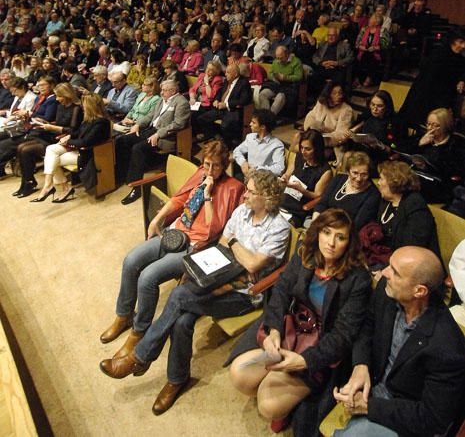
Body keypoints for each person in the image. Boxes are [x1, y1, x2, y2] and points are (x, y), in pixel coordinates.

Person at [99, 169, 290, 416]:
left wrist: (235, 245)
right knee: (183, 319)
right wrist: (238, 250)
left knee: (178, 298)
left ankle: (141, 356)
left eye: (251, 192)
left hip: (246, 293)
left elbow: (253, 265)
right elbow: (224, 242)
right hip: (222, 274)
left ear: (267, 197)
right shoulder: (243, 212)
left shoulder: (279, 228)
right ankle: (177, 379)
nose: (244, 196)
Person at [228, 208, 371, 433]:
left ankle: (286, 403)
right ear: (318, 233)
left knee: (268, 405)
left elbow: (344, 335)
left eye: (340, 237)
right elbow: (281, 292)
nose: (331, 242)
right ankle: (283, 392)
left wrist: (304, 361)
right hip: (292, 332)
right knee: (240, 374)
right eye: (326, 232)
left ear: (349, 242)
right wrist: (274, 330)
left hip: (319, 348)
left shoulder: (357, 279)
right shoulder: (306, 254)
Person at [99, 140, 244, 360]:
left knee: (148, 277)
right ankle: (124, 315)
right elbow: (180, 199)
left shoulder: (233, 187)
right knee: (131, 260)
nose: (210, 170)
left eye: (216, 166)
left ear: (224, 166)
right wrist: (156, 219)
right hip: (176, 232)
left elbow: (214, 228)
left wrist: (207, 193)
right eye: (207, 164)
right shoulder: (199, 173)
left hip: (195, 247)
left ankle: (139, 330)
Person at [333, 246, 465, 437]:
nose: (384, 272)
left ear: (419, 291)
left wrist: (369, 407)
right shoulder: (387, 292)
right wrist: (360, 365)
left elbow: (431, 419)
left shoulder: (448, 347)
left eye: (395, 272)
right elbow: (367, 326)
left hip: (405, 419)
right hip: (376, 392)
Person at [116, 79, 191, 204]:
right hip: (150, 130)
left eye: (164, 90)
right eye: (161, 90)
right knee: (122, 140)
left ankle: (136, 186)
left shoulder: (181, 102)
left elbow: (178, 124)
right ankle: (124, 174)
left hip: (165, 136)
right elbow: (150, 116)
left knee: (138, 148)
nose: (161, 93)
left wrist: (158, 134)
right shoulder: (161, 100)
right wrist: (138, 125)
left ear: (173, 91)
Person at [33, 93, 111, 203]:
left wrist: (68, 141)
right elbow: (76, 132)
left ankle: (61, 187)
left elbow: (86, 142)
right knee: (50, 149)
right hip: (78, 149)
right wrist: (68, 136)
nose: (82, 107)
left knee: (51, 160)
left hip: (89, 154)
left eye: (84, 104)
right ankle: (50, 184)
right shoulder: (88, 119)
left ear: (91, 106)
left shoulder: (101, 122)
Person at [15, 82, 83, 198]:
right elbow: (58, 123)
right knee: (20, 148)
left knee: (26, 150)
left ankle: (31, 184)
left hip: (64, 139)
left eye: (59, 96)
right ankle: (27, 183)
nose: (57, 99)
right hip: (54, 135)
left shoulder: (77, 108)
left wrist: (53, 127)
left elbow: (73, 129)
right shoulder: (61, 106)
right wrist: (46, 123)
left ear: (67, 95)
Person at [372, 161, 439, 263]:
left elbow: (412, 247)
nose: (378, 182)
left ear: (393, 181)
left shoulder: (414, 204)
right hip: (386, 257)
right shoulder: (386, 201)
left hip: (413, 264)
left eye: (381, 179)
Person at [398, 29, 465, 130]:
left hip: (444, 96)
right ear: (452, 41)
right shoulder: (439, 54)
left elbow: (461, 71)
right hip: (428, 95)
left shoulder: (460, 57)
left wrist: (461, 80)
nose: (463, 46)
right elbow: (430, 81)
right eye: (460, 42)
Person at [313, 152, 381, 230]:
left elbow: (356, 225)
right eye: (355, 173)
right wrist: (315, 224)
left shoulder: (373, 195)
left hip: (344, 233)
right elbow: (322, 204)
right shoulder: (338, 179)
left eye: (364, 174)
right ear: (348, 171)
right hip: (323, 224)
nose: (359, 178)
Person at [280, 129, 332, 227]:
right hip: (282, 200)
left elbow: (317, 196)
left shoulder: (325, 171)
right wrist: (284, 178)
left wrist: (302, 190)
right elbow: (288, 173)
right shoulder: (299, 156)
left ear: (317, 149)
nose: (303, 152)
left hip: (297, 210)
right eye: (301, 147)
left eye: (308, 149)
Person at [195, 62, 252, 146]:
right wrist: (216, 100)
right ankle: (214, 135)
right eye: (226, 72)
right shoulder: (227, 80)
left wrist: (227, 104)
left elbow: (244, 100)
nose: (225, 74)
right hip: (220, 108)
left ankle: (227, 145)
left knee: (225, 126)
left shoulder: (244, 83)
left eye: (228, 72)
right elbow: (220, 92)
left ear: (235, 74)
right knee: (201, 118)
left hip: (233, 110)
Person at [302, 81, 353, 165]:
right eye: (334, 93)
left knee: (310, 153)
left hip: (331, 145)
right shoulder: (322, 103)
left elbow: (341, 135)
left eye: (340, 93)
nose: (339, 96)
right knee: (298, 139)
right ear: (327, 94)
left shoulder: (346, 110)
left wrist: (322, 137)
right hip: (314, 138)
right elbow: (310, 117)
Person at [233, 109, 285, 179]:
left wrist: (257, 169)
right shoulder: (250, 137)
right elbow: (237, 151)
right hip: (248, 177)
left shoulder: (277, 145)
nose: (250, 124)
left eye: (253, 123)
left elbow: (279, 169)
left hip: (262, 181)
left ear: (263, 127)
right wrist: (243, 162)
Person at [259, 45, 303, 116]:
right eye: (277, 58)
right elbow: (270, 73)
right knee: (263, 94)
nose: (279, 60)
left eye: (281, 58)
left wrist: (285, 77)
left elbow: (299, 77)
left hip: (289, 86)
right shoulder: (276, 61)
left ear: (287, 55)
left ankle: (270, 118)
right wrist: (274, 77)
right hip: (276, 84)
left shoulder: (296, 62)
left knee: (280, 97)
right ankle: (266, 116)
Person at [311, 27, 354, 92]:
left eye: (333, 35)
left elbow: (350, 58)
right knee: (314, 76)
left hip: (337, 69)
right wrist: (321, 63)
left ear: (337, 36)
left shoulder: (345, 45)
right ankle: (318, 98)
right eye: (329, 35)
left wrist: (336, 63)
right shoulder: (322, 44)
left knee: (339, 78)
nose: (330, 37)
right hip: (323, 67)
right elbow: (315, 56)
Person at [188, 60, 224, 134]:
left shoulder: (217, 80)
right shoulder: (202, 75)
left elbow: (211, 96)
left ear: (216, 71)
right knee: (185, 111)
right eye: (207, 68)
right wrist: (192, 98)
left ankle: (197, 133)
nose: (208, 71)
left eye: (211, 70)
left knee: (193, 114)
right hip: (196, 102)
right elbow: (193, 89)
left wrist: (207, 83)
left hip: (206, 105)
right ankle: (189, 134)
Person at [354, 15, 390, 87]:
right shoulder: (364, 29)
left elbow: (385, 44)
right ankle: (359, 78)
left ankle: (368, 78)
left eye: (371, 19)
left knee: (369, 56)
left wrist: (375, 48)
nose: (369, 20)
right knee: (358, 57)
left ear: (377, 22)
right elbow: (357, 42)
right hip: (363, 51)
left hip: (377, 53)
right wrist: (360, 46)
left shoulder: (383, 31)